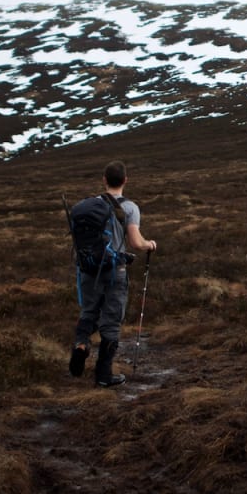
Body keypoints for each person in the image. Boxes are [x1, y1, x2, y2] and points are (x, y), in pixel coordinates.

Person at [69, 160, 158, 387]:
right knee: (111, 321)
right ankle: (103, 376)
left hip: (88, 269)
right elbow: (136, 243)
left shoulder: (91, 204)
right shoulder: (130, 208)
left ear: (104, 180)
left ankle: (81, 345)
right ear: (125, 180)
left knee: (89, 311)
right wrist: (150, 245)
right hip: (113, 271)